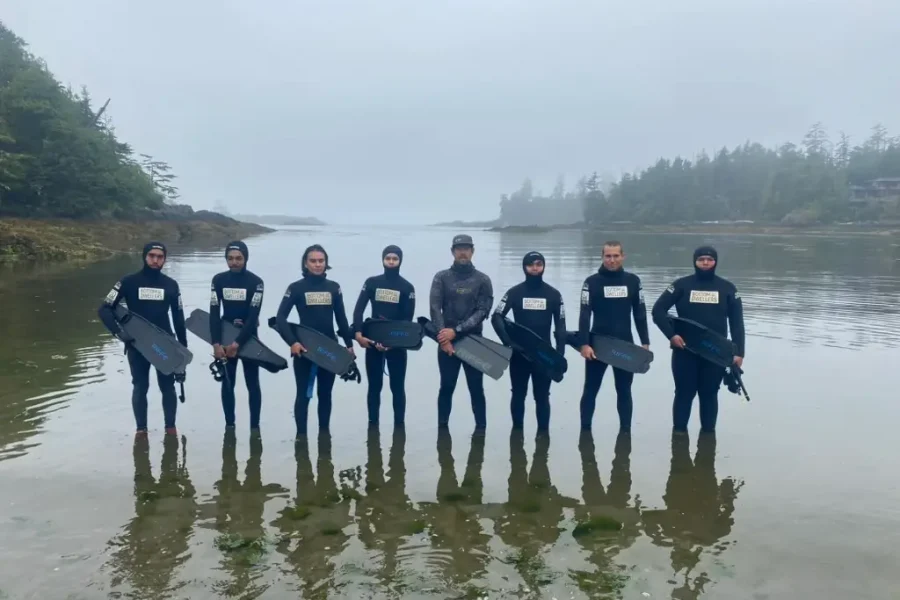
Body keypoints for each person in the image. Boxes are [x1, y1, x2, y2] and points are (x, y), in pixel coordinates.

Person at [651, 245, 745, 434]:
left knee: (709, 394)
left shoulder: (727, 288)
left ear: (715, 262)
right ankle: (679, 438)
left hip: (715, 352)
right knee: (684, 393)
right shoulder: (681, 285)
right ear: (695, 261)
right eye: (701, 259)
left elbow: (737, 323)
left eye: (709, 259)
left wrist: (739, 352)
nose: (705, 263)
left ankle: (708, 435)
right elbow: (658, 311)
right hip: (685, 350)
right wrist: (671, 335)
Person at [98, 241, 187, 435]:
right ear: (144, 257)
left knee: (168, 387)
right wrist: (120, 333)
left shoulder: (171, 285)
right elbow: (104, 309)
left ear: (164, 259)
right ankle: (141, 431)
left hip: (164, 344)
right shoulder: (128, 282)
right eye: (152, 256)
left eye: (160, 257)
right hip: (137, 344)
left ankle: (170, 429)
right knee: (140, 386)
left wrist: (182, 353)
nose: (155, 260)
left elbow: (179, 320)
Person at [275, 244, 354, 438]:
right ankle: (301, 439)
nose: (317, 264)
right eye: (313, 261)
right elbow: (280, 318)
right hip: (304, 350)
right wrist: (293, 342)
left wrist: (349, 345)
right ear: (305, 263)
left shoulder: (334, 288)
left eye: (321, 261)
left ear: (326, 263)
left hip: (329, 349)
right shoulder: (296, 288)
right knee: (303, 395)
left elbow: (341, 319)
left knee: (325, 395)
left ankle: (324, 437)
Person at [577, 240, 650, 433]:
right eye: (608, 256)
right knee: (590, 389)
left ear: (623, 256)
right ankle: (585, 433)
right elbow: (584, 315)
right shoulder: (591, 282)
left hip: (625, 345)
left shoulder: (633, 281)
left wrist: (645, 342)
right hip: (597, 345)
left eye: (616, 256)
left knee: (624, 390)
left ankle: (625, 432)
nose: (612, 260)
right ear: (602, 257)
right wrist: (584, 344)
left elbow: (640, 313)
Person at [491, 251, 566, 434]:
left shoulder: (554, 295)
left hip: (544, 355)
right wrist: (508, 342)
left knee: (542, 397)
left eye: (539, 264)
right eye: (531, 264)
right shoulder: (515, 292)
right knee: (518, 395)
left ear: (544, 267)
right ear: (524, 267)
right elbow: (496, 316)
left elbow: (561, 326)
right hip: (520, 354)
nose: (535, 268)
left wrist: (559, 355)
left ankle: (543, 435)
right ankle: (517, 436)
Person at [429, 234, 494, 429]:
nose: (462, 252)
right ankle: (442, 432)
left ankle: (481, 432)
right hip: (446, 342)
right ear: (452, 252)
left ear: (472, 251)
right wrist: (444, 339)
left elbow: (482, 312)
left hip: (474, 341)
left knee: (476, 388)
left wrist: (456, 331)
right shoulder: (441, 277)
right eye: (459, 249)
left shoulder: (483, 279)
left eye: (466, 249)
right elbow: (435, 308)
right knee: (446, 387)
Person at [352, 245, 416, 428]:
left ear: (400, 261)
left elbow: (407, 320)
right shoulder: (372, 282)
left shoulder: (407, 287)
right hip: (372, 342)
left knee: (397, 387)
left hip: (397, 344)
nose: (391, 262)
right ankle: (373, 427)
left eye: (395, 259)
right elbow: (358, 310)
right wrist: (358, 334)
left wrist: (394, 343)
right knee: (374, 387)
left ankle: (399, 427)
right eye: (388, 258)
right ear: (382, 260)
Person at [209, 240, 265, 431]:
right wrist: (216, 343)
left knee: (253, 384)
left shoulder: (256, 282)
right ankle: (229, 426)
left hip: (249, 339)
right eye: (230, 258)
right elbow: (214, 313)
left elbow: (253, 317)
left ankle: (255, 428)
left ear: (245, 258)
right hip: (225, 336)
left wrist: (238, 343)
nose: (234, 262)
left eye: (238, 258)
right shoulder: (218, 280)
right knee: (227, 384)